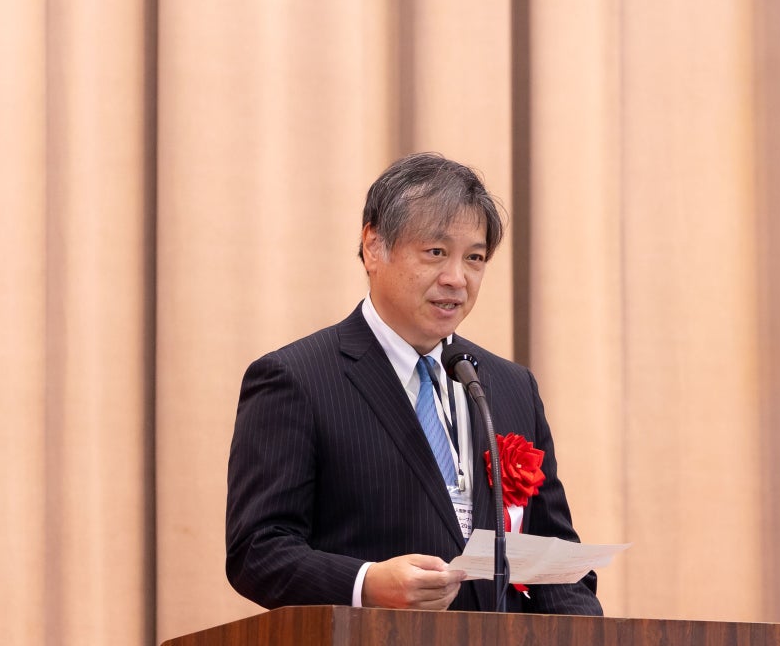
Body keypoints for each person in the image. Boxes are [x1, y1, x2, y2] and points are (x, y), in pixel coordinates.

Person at [224, 153, 602, 615]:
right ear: (373, 247)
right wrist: (367, 583)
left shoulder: (509, 386)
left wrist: (588, 644)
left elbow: (552, 553)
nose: (456, 279)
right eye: (435, 252)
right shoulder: (296, 379)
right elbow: (258, 551)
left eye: (474, 258)